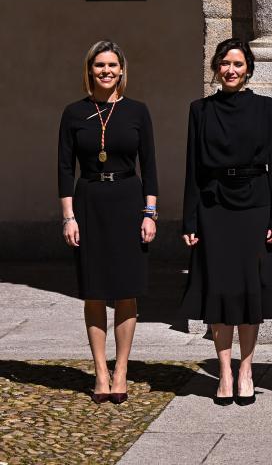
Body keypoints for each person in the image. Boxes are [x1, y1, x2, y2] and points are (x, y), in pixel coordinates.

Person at [180, 38, 272, 406]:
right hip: (214, 207)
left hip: (255, 206)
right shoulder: (200, 110)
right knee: (220, 290)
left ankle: (246, 368)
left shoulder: (265, 108)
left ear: (248, 70)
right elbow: (192, 169)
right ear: (216, 66)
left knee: (249, 291)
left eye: (238, 64)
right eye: (225, 63)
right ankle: (224, 370)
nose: (231, 70)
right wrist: (190, 219)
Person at [58, 40, 158, 405]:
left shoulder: (137, 111)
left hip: (129, 202)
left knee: (127, 289)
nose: (106, 71)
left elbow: (149, 166)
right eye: (99, 65)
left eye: (112, 65)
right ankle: (100, 371)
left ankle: (122, 371)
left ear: (121, 71)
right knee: (94, 290)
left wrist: (150, 213)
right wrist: (68, 217)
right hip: (89, 203)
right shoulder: (73, 113)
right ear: (89, 70)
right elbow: (65, 168)